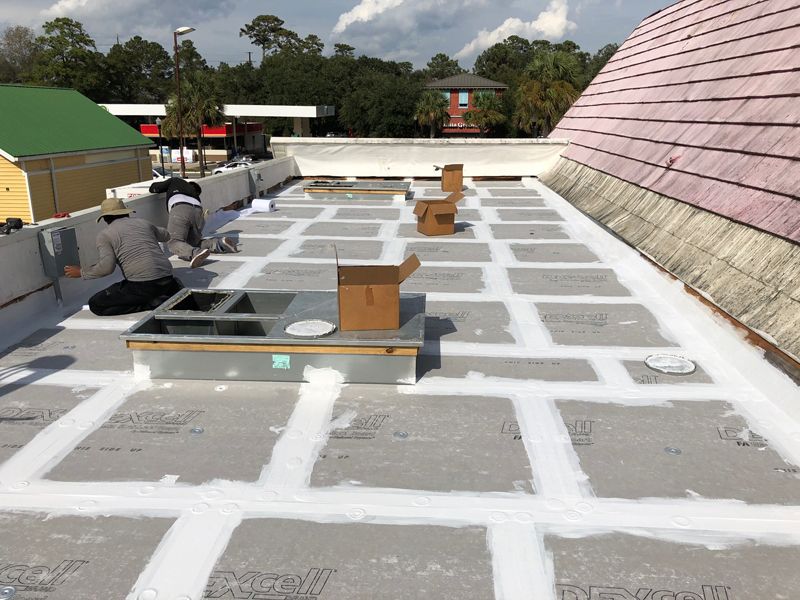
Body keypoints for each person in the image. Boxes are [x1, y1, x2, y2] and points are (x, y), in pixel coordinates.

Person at [64, 197, 183, 316]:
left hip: (141, 285)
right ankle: (170, 292)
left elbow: (107, 268)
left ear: (105, 218)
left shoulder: (105, 235)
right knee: (143, 286)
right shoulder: (144, 223)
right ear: (126, 213)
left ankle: (152, 304)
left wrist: (81, 272)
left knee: (96, 304)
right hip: (167, 278)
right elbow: (166, 236)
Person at [148, 177, 237, 268]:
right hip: (198, 211)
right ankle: (219, 243)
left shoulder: (175, 181)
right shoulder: (195, 194)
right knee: (193, 243)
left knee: (173, 242)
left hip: (180, 208)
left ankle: (195, 253)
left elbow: (154, 188)